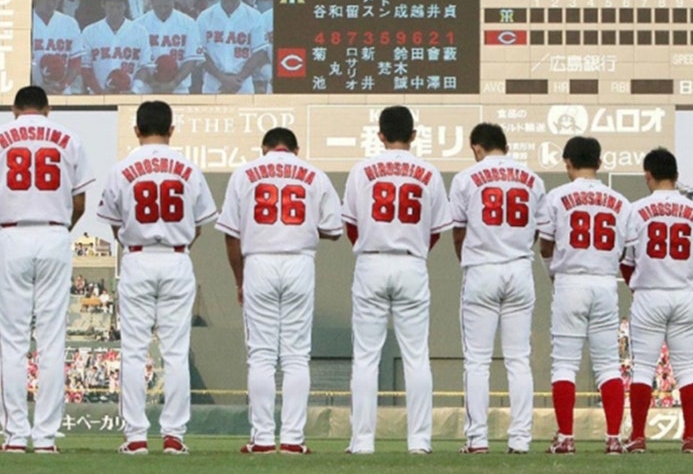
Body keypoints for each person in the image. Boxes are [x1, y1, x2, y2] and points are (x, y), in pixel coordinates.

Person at [0, 85, 94, 454]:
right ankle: (45, 439)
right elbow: (79, 202)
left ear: (14, 109)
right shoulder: (69, 138)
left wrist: (1, 230)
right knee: (52, 341)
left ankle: (14, 438)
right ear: (48, 108)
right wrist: (58, 228)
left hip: (12, 233)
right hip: (55, 233)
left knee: (12, 341)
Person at [96, 101, 217, 455]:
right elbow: (198, 226)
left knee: (133, 351)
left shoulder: (122, 168)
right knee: (176, 352)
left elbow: (114, 222)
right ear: (171, 129)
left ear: (136, 130)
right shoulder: (189, 168)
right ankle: (173, 436)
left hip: (137, 257)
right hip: (177, 259)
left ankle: (135, 437)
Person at [216, 127, 342, 454]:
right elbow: (333, 230)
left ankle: (261, 440)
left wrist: (239, 280)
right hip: (299, 262)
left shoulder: (245, 174)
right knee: (296, 356)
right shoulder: (314, 174)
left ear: (264, 148)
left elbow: (231, 235)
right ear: (295, 149)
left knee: (261, 356)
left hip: (258, 261)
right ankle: (292, 440)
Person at [341, 106, 451, 455]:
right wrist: (414, 249)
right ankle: (419, 441)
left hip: (371, 262)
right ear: (414, 135)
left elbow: (351, 226)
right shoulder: (429, 172)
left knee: (366, 357)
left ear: (380, 135)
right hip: (411, 264)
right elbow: (435, 232)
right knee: (416, 356)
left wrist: (373, 246)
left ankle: (362, 441)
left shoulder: (362, 170)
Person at [447, 123, 546, 454]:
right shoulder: (533, 179)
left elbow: (458, 233)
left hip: (482, 269)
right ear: (505, 145)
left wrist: (469, 260)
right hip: (519, 267)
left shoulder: (466, 178)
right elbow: (537, 230)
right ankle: (520, 440)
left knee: (477, 361)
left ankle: (477, 439)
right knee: (519, 360)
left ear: (477, 147)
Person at [537, 136, 633, 455]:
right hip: (606, 282)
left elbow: (546, 245)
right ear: (600, 163)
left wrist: (554, 271)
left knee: (564, 363)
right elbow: (626, 251)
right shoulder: (620, 201)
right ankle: (613, 439)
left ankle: (565, 437)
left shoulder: (557, 196)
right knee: (608, 365)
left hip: (570, 281)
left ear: (567, 163)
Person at [620, 148, 693, 454]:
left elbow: (627, 260)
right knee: (687, 368)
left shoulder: (636, 210)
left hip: (649, 292)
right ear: (676, 175)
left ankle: (638, 436)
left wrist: (637, 286)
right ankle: (689, 437)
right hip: (684, 292)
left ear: (649, 174)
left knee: (643, 369)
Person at [196, 0, 269, 94]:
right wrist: (223, 78)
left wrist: (238, 79)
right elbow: (200, 52)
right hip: (213, 82)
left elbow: (259, 52)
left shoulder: (254, 16)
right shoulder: (205, 17)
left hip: (243, 83)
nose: (229, 3)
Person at [80, 0, 151, 95]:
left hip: (130, 96)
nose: (115, 12)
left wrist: (134, 91)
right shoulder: (89, 32)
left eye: (119, 7)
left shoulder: (140, 32)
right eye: (111, 7)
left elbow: (144, 67)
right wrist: (100, 92)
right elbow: (85, 67)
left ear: (126, 6)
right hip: (99, 96)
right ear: (103, 5)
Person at [135, 0, 204, 94]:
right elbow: (137, 60)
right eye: (159, 6)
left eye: (167, 6)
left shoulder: (188, 23)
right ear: (151, 1)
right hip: (147, 89)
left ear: (173, 0)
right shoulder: (138, 25)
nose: (163, 10)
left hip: (179, 89)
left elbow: (192, 58)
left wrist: (173, 83)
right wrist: (153, 83)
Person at [31, 0, 85, 95]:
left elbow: (76, 61)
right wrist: (36, 85)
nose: (51, 4)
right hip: (31, 92)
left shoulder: (69, 23)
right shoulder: (24, 22)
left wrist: (63, 85)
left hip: (61, 92)